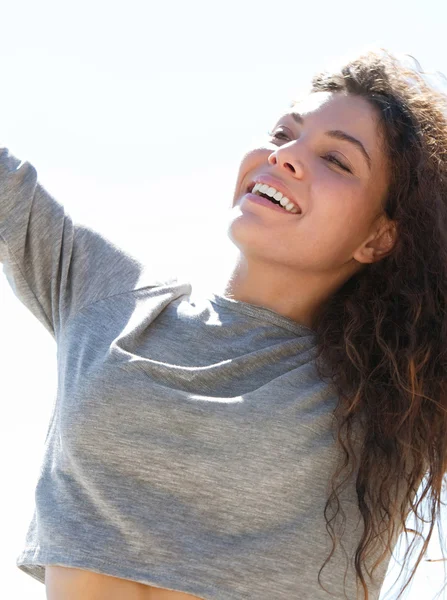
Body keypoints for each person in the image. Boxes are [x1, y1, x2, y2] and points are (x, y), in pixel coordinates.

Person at [1, 49, 446, 600]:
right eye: (284, 132)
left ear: (378, 238)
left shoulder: (394, 391)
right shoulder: (110, 297)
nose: (284, 156)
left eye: (337, 160)